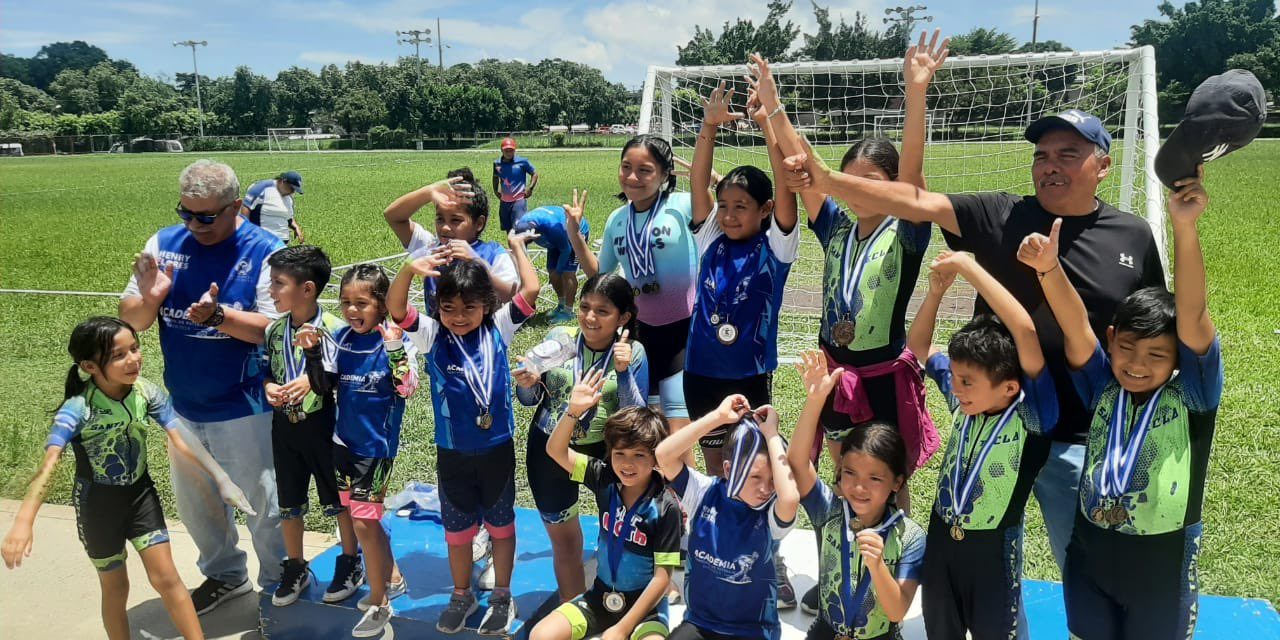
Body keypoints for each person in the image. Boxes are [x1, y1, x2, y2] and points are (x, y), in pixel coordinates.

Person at [780, 99, 1166, 575]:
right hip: (995, 425)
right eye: (1041, 155)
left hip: (1085, 436)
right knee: (984, 563)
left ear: (1103, 166)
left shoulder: (1132, 235)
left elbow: (1152, 331)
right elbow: (916, 199)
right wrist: (826, 178)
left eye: (1068, 154)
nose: (1050, 166)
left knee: (1089, 567)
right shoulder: (998, 214)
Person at [1021, 168, 1220, 639]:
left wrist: (1185, 228)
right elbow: (1075, 326)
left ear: (1177, 358)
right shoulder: (1100, 384)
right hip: (1090, 553)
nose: (1136, 364)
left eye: (1156, 355)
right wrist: (1049, 270)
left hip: (1162, 562)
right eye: (1127, 348)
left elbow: (1191, 316)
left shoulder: (1193, 396)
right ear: (1112, 340)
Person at [2, 317, 254, 640]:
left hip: (140, 498)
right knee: (116, 588)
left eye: (135, 348)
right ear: (90, 366)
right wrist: (24, 521)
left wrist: (222, 479)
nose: (133, 359)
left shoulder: (145, 391)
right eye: (118, 355)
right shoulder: (78, 409)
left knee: (167, 578)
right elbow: (50, 463)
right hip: (98, 509)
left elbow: (180, 436)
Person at [119, 159, 286, 613]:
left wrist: (219, 317)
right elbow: (129, 320)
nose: (194, 224)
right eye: (185, 213)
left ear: (235, 207)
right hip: (184, 404)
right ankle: (225, 575)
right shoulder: (163, 244)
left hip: (246, 403)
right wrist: (150, 297)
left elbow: (275, 329)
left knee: (262, 503)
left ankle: (277, 580)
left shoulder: (268, 250)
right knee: (198, 505)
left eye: (206, 216)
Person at [387, 229, 542, 636]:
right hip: (452, 453)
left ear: (486, 305)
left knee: (501, 526)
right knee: (457, 532)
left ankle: (502, 595)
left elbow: (531, 290)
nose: (458, 315)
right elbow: (396, 309)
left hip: (496, 450)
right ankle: (461, 593)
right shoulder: (433, 334)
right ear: (437, 307)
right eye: (448, 306)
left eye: (469, 307)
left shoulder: (500, 327)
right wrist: (408, 269)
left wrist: (516, 248)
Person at [906, 251, 1059, 640]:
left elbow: (1023, 332)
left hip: (993, 558)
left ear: (1009, 386)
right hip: (942, 544)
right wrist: (936, 293)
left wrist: (971, 267)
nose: (955, 388)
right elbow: (920, 348)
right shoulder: (962, 401)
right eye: (955, 378)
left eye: (967, 381)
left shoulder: (1033, 419)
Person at [295, 264, 420, 637]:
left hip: (375, 448)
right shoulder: (342, 338)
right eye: (346, 301)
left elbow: (407, 387)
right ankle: (393, 575)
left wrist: (396, 347)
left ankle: (380, 601)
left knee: (364, 522)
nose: (352, 310)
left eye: (361, 303)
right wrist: (314, 353)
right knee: (362, 518)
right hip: (343, 444)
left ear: (382, 305)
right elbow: (322, 388)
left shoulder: (397, 340)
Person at [684, 79, 800, 474]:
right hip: (700, 371)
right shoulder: (710, 237)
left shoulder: (776, 247)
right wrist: (709, 127)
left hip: (748, 375)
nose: (728, 215)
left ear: (765, 208)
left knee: (751, 465)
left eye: (741, 207)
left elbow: (785, 182)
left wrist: (767, 124)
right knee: (716, 468)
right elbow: (697, 184)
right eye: (724, 205)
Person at [512, 273, 649, 605]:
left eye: (602, 311)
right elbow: (529, 400)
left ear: (624, 317)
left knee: (619, 535)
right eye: (585, 307)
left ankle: (622, 605)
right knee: (566, 544)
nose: (590, 317)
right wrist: (528, 382)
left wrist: (622, 371)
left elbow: (637, 420)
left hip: (606, 454)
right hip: (550, 449)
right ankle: (572, 615)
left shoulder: (633, 352)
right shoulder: (561, 338)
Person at [567, 135, 698, 441]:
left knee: (678, 436)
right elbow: (600, 274)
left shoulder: (684, 206)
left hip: (685, 333)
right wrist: (575, 235)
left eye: (645, 170)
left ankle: (682, 490)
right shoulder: (617, 220)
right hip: (641, 337)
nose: (632, 177)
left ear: (665, 174)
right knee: (646, 431)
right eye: (626, 167)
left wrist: (708, 176)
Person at [786, 351, 925, 640]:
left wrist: (877, 565)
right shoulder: (829, 511)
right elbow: (798, 463)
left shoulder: (909, 536)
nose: (859, 487)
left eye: (874, 478)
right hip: (825, 632)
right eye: (850, 473)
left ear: (897, 483)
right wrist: (815, 401)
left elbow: (897, 611)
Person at [530, 376, 683, 640]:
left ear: (655, 457)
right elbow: (555, 450)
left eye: (639, 455)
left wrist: (622, 629)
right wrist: (573, 412)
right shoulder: (604, 478)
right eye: (619, 454)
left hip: (644, 610)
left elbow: (661, 579)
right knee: (541, 635)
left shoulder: (665, 505)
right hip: (599, 599)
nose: (627, 464)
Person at [262, 245, 364, 606]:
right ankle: (296, 565)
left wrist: (313, 381)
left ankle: (351, 559)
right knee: (289, 499)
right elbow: (264, 371)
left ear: (307, 289)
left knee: (339, 498)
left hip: (326, 427)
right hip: (284, 428)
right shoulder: (274, 331)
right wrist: (270, 387)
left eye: (278, 283)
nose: (270, 290)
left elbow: (348, 379)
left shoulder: (337, 329)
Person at [654, 395, 799, 640]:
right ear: (730, 469)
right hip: (701, 623)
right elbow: (664, 454)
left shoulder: (771, 515)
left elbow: (790, 499)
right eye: (755, 478)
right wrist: (718, 417)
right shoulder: (704, 492)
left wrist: (772, 434)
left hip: (753, 631)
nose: (766, 488)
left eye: (773, 479)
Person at [384, 170, 521, 316]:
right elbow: (393, 217)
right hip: (437, 336)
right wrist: (429, 192)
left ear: (479, 223)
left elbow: (514, 298)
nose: (444, 227)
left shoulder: (492, 254)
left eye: (456, 220)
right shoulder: (430, 247)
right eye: (440, 219)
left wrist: (477, 263)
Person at [513, 204, 591, 323]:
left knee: (567, 273)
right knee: (551, 272)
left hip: (572, 235)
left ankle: (568, 311)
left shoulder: (553, 228)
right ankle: (561, 304)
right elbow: (520, 252)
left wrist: (559, 271)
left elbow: (566, 250)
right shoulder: (520, 226)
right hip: (554, 240)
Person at [242, 171, 305, 245]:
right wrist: (245, 231)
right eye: (291, 188)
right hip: (262, 241)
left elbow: (289, 218)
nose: (292, 192)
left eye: (294, 190)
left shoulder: (289, 199)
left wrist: (296, 227)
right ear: (283, 182)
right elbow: (246, 207)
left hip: (282, 243)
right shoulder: (262, 188)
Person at [493, 137, 538, 231]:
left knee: (519, 227)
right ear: (502, 150)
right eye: (506, 150)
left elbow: (534, 174)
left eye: (511, 150)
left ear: (515, 150)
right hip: (504, 201)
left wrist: (530, 188)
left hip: (519, 200)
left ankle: (521, 245)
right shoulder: (497, 164)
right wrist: (495, 191)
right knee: (508, 228)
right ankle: (512, 246)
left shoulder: (522, 162)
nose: (509, 153)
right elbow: (495, 177)